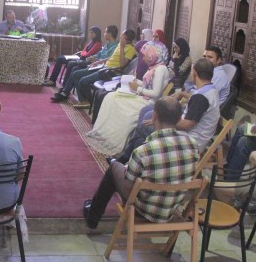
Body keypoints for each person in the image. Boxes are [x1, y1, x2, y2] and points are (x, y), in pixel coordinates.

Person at [82, 97, 199, 229]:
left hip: (143, 210)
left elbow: (128, 187)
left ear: (154, 116)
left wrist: (126, 169)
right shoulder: (193, 144)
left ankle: (92, 217)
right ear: (179, 119)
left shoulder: (143, 150)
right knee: (135, 159)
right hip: (170, 210)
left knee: (114, 168)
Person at [85, 41, 170, 155]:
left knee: (114, 100)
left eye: (145, 55)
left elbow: (156, 93)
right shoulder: (155, 67)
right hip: (143, 97)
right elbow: (147, 85)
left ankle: (115, 141)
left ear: (152, 55)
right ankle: (106, 136)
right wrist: (136, 81)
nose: (143, 57)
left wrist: (137, 88)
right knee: (110, 97)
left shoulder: (160, 69)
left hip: (149, 102)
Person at [52, 29, 136, 109]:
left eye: (122, 35)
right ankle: (82, 100)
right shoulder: (119, 44)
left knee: (83, 80)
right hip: (103, 66)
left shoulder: (131, 48)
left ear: (126, 38)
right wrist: (98, 62)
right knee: (76, 74)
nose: (120, 36)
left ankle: (89, 101)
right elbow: (111, 58)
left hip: (109, 71)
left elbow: (122, 64)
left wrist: (122, 47)